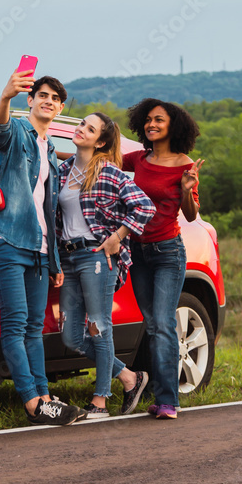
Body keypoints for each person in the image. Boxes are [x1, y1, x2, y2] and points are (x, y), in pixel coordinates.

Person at [0, 68, 85, 426]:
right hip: (7, 240)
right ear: (31, 100)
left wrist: (53, 260)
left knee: (34, 328)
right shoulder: (20, 132)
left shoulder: (50, 148)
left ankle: (45, 396)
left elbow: (48, 208)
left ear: (60, 107)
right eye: (43, 95)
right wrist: (5, 95)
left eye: (55, 99)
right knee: (16, 324)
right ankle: (31, 402)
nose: (48, 102)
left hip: (38, 250)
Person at [57, 112, 155, 418]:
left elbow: (144, 205)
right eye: (81, 124)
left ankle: (100, 401)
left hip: (97, 258)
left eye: (89, 128)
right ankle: (130, 377)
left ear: (100, 141)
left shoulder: (108, 173)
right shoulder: (62, 171)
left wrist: (118, 236)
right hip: (68, 257)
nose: (80, 129)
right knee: (71, 336)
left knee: (99, 327)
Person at [120, 98, 204, 420]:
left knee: (165, 323)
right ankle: (159, 393)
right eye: (148, 120)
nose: (151, 125)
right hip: (138, 253)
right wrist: (48, 150)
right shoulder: (140, 159)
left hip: (168, 252)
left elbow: (191, 215)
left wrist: (186, 189)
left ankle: (168, 401)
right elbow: (103, 159)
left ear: (173, 127)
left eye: (159, 120)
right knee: (154, 324)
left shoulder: (186, 166)